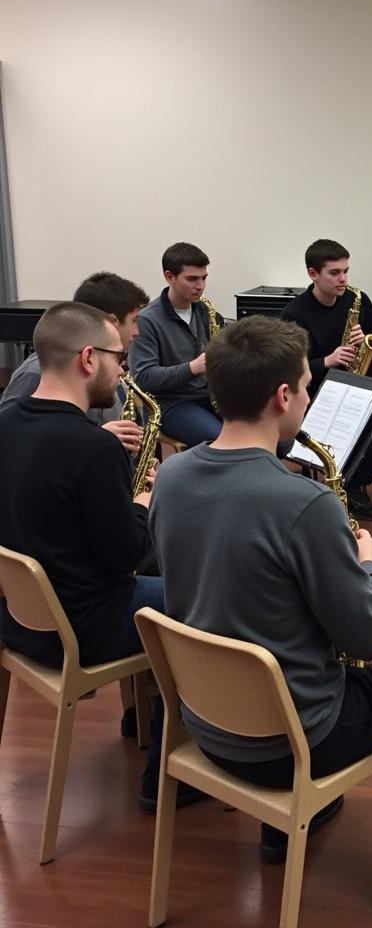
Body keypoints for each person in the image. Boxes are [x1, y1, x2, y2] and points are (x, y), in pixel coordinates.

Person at [148, 315, 372, 908]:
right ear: (283, 396)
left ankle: (284, 828)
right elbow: (368, 636)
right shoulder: (300, 502)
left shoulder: (172, 475)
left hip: (205, 725)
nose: (307, 397)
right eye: (306, 387)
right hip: (293, 739)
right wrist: (370, 564)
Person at [0, 302, 188, 811]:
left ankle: (144, 713)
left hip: (19, 619)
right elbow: (123, 558)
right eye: (119, 357)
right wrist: (144, 503)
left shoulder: (7, 419)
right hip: (82, 624)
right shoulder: (91, 447)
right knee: (206, 603)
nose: (123, 369)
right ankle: (170, 774)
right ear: (88, 358)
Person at [278, 239, 372, 521]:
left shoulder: (357, 299)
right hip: (316, 394)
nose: (343, 279)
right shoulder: (294, 313)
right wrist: (327, 360)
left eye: (346, 271)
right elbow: (288, 369)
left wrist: (366, 343)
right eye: (335, 273)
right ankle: (335, 484)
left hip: (359, 387)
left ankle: (351, 483)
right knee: (346, 433)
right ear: (313, 274)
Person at [0, 271, 149, 457]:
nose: (137, 332)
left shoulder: (113, 370)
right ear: (111, 322)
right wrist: (99, 438)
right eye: (134, 321)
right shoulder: (36, 373)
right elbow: (12, 443)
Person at [129, 242, 223, 448]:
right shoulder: (147, 320)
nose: (201, 286)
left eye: (204, 278)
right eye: (192, 279)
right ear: (169, 277)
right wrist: (193, 368)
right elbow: (144, 378)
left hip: (209, 396)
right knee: (224, 442)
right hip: (170, 404)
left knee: (267, 431)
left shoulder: (204, 310)